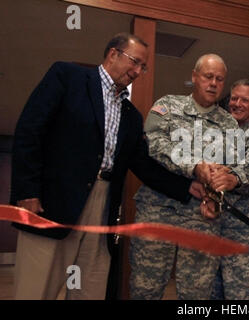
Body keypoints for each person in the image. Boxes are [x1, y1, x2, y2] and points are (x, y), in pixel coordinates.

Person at [10, 33, 203, 300]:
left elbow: (143, 165)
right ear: (113, 54)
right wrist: (27, 192)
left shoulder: (132, 116)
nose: (138, 71)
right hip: (53, 204)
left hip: (102, 209)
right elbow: (29, 132)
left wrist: (186, 186)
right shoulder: (67, 77)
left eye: (143, 67)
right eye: (134, 62)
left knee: (90, 288)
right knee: (35, 289)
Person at [129, 55, 249, 299]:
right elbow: (154, 145)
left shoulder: (229, 124)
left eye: (220, 79)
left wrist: (220, 189)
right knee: (146, 286)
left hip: (202, 217)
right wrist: (194, 166)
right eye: (208, 76)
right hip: (158, 210)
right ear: (194, 76)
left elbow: (232, 167)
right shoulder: (167, 107)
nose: (213, 83)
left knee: (197, 292)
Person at [210, 79, 249, 300]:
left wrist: (233, 177)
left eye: (244, 100)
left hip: (242, 228)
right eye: (234, 98)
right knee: (212, 291)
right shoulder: (221, 129)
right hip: (214, 224)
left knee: (241, 294)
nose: (237, 103)